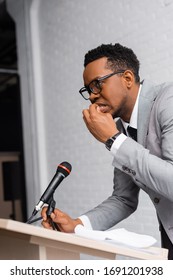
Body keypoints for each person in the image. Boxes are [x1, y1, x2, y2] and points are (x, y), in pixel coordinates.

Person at [41, 43, 173, 259]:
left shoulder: (168, 101)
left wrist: (114, 140)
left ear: (128, 79)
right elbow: (124, 199)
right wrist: (78, 225)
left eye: (97, 85)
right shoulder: (121, 129)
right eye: (88, 89)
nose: (92, 96)